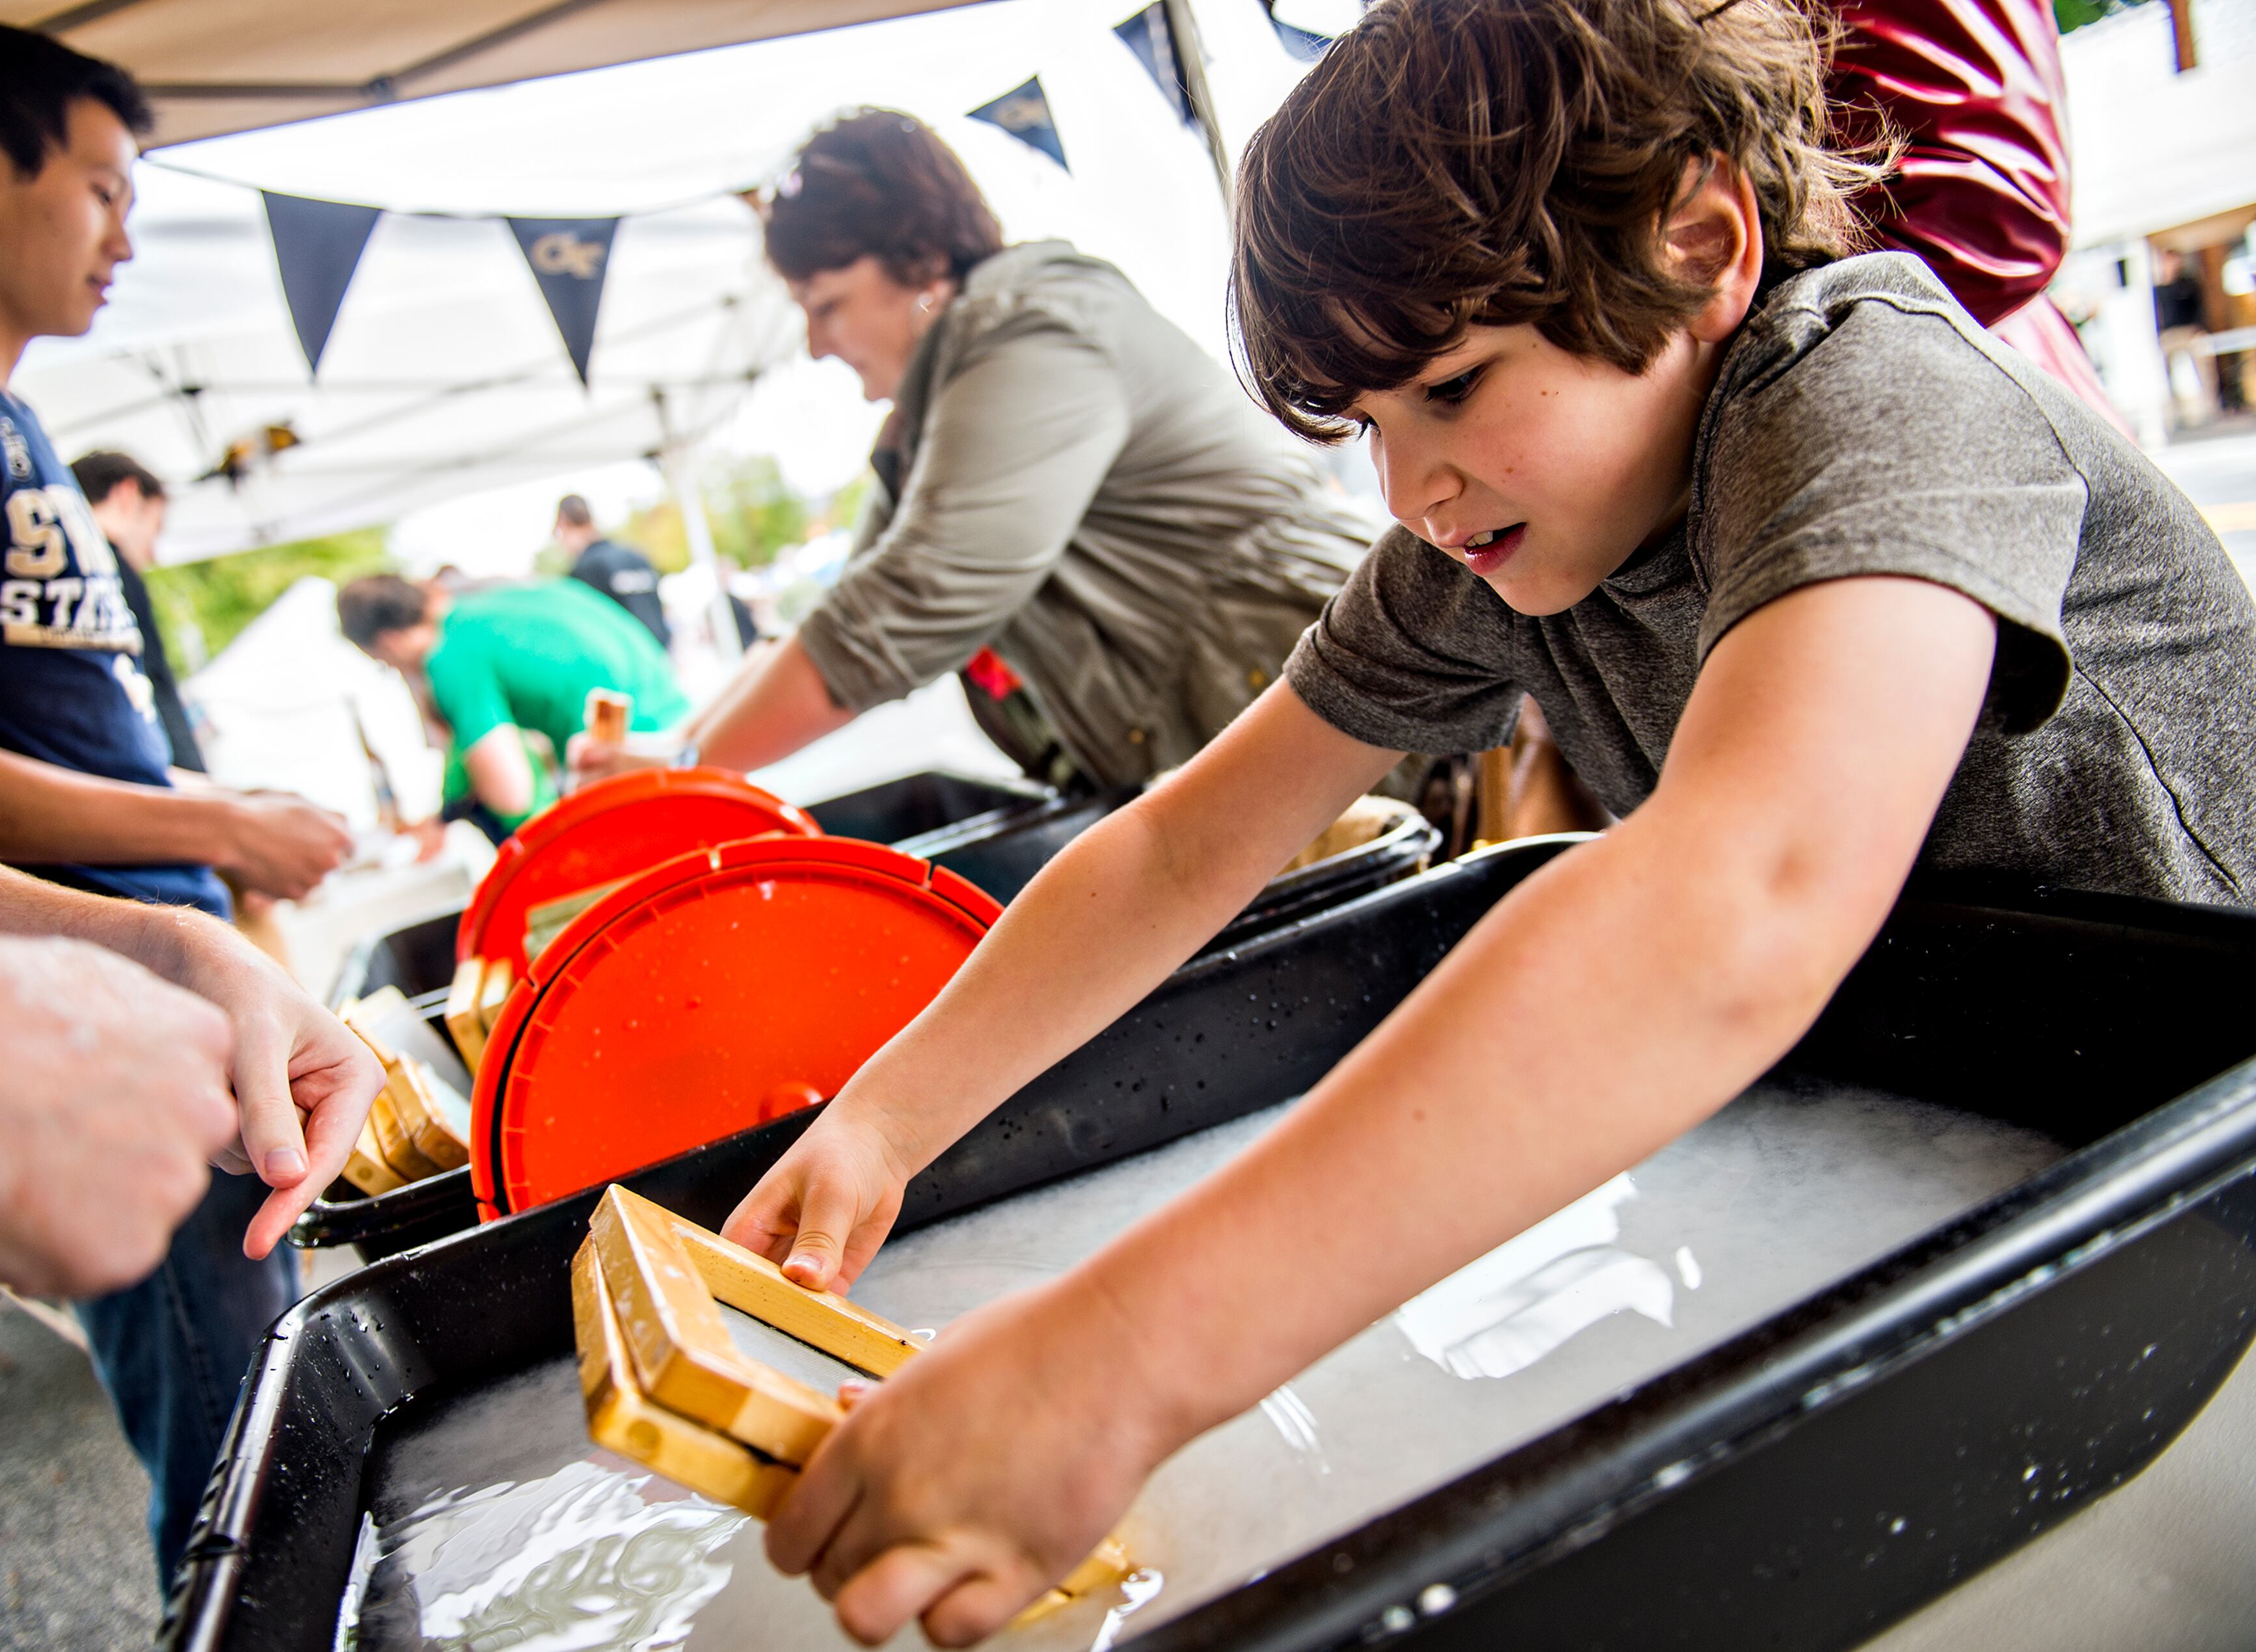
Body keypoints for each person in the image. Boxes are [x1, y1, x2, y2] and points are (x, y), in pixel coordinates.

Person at [715, 0, 2256, 1642]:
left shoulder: (1870, 390)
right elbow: (1184, 845)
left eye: (1449, 385)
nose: (1407, 491)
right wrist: (883, 1120)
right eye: (1370, 428)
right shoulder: (1502, 538)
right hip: (1951, 1113)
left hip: (2196, 1126)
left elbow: (1746, 894)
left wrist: (1115, 1360)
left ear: (1698, 238)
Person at [0, 17, 370, 1582]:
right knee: (247, 1486)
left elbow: (73, 738)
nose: (126, 234)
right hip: (97, 1019)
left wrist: (223, 819)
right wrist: (211, 830)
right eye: (103, 188)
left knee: (291, 1413)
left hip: (187, 1000)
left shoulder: (9, 425)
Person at [578, 111, 1374, 795]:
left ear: (921, 262)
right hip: (1259, 742)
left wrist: (682, 770)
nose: (818, 344)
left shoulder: (1034, 329)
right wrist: (666, 754)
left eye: (828, 306)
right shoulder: (931, 414)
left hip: (1349, 706)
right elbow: (844, 610)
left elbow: (906, 606)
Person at [337, 573, 687, 836]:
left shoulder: (449, 654)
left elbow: (510, 793)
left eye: (385, 664)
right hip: (687, 736)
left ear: (389, 642)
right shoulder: (504, 601)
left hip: (645, 779)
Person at [73, 448, 202, 770]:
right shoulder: (107, 569)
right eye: (156, 527)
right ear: (127, 494)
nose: (154, 553)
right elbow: (153, 685)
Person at [556, 493, 672, 649]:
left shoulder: (584, 570)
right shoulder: (637, 556)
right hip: (658, 659)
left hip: (623, 665)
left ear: (564, 523)